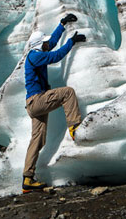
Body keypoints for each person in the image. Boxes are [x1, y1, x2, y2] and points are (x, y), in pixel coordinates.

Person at [22, 13, 86, 193]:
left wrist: (62, 24)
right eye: (43, 42)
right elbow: (55, 55)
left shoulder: (36, 53)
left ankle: (28, 179)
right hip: (37, 101)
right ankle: (74, 127)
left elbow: (51, 44)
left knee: (37, 140)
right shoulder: (35, 56)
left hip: (34, 104)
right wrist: (71, 42)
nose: (46, 44)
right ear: (38, 44)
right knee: (67, 93)